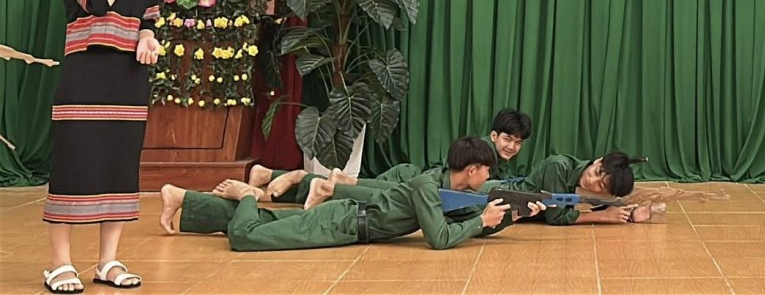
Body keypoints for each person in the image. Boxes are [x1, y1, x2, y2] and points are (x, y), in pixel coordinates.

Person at [43, 0, 163, 293]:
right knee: (73, 164)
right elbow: (97, 2)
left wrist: (148, 37)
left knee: (118, 164)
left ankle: (108, 261)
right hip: (86, 74)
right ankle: (60, 264)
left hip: (128, 77)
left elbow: (149, 16)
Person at [157, 137, 544, 252]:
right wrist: (481, 221)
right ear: (472, 170)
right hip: (340, 223)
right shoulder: (429, 187)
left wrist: (509, 216)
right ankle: (247, 194)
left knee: (269, 224)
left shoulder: (442, 186)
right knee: (248, 236)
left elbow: (463, 220)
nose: (490, 176)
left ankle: (181, 199)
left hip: (346, 220)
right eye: (487, 170)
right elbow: (440, 239)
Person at [250, 107, 534, 205]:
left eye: (518, 143)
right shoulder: (482, 156)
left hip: (413, 178)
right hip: (409, 180)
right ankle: (296, 177)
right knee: (342, 193)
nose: (512, 146)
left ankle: (267, 176)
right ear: (494, 135)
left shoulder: (491, 157)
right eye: (507, 139)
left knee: (341, 190)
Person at [503, 152, 652, 225]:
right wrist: (602, 216)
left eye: (600, 186)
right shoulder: (558, 166)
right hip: (499, 198)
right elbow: (556, 217)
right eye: (596, 172)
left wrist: (632, 213)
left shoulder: (590, 190)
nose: (591, 181)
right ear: (598, 161)